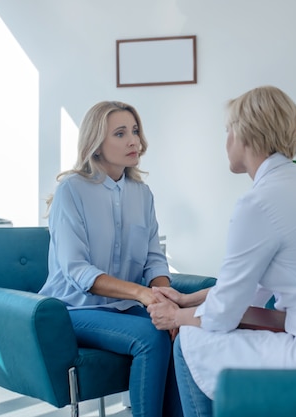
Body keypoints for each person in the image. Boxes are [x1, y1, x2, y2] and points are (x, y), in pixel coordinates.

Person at [147, 86, 296, 417]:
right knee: (206, 325)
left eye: (228, 131)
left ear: (245, 134)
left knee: (191, 340)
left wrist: (175, 318)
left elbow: (223, 315)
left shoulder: (258, 203)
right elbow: (249, 293)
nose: (226, 142)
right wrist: (187, 300)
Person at [39, 100, 180, 417]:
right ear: (96, 145)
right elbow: (77, 270)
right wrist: (142, 294)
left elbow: (154, 260)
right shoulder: (71, 191)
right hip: (72, 309)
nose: (134, 141)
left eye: (134, 131)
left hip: (124, 308)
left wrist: (163, 296)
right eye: (120, 133)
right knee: (151, 338)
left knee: (183, 326)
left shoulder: (142, 194)